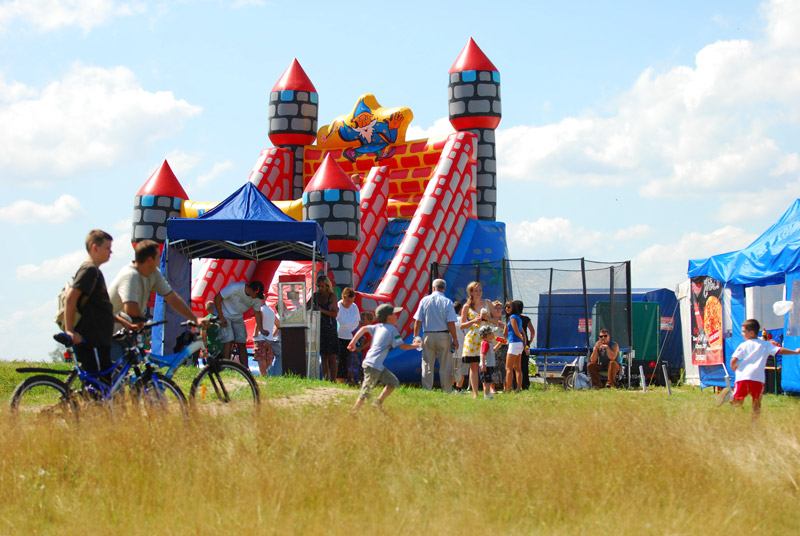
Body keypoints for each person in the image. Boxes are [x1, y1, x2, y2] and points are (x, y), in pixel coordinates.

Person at [108, 239, 206, 359]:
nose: (160, 260)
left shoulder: (153, 273)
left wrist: (195, 318)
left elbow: (172, 297)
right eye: (158, 257)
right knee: (115, 374)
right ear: (150, 260)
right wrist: (144, 323)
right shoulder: (130, 275)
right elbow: (130, 308)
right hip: (108, 333)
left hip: (125, 332)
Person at [718, 318, 800, 420]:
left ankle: (730, 397)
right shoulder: (765, 344)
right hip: (757, 378)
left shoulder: (744, 345)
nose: (742, 334)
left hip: (743, 376)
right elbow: (780, 350)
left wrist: (733, 366)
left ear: (751, 332)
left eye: (744, 331)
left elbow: (734, 359)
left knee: (738, 402)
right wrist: (794, 352)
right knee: (757, 403)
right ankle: (754, 424)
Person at [63, 230, 117, 377]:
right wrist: (70, 330)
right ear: (95, 248)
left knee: (103, 384)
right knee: (98, 386)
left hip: (100, 340)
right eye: (107, 248)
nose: (110, 252)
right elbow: (70, 298)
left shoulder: (95, 271)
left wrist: (122, 322)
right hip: (93, 340)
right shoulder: (89, 270)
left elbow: (100, 305)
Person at [348, 304, 421, 413]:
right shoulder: (392, 330)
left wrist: (353, 342)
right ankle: (353, 412)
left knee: (393, 382)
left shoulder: (377, 327)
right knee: (366, 392)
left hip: (375, 365)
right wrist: (416, 345)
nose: (396, 316)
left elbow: (363, 329)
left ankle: (377, 403)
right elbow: (402, 346)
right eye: (394, 314)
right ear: (388, 317)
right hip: (373, 366)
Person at [412, 278, 459, 393]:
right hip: (443, 335)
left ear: (433, 288)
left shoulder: (424, 300)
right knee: (445, 365)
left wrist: (416, 336)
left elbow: (417, 321)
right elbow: (451, 323)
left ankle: (427, 389)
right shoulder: (447, 302)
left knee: (427, 365)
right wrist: (455, 339)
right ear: (444, 289)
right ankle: (446, 390)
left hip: (428, 334)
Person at [460, 282, 502, 398]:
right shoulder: (467, 306)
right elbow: (462, 325)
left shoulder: (487, 303)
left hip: (485, 337)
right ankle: (475, 393)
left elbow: (496, 319)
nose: (479, 293)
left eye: (480, 290)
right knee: (474, 366)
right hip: (473, 337)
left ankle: (487, 391)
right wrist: (473, 321)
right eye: (476, 291)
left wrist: (486, 318)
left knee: (486, 364)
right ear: (471, 293)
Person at [213, 280, 266, 368]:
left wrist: (261, 329)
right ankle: (225, 367)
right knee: (228, 340)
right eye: (256, 294)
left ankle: (245, 369)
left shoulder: (257, 298)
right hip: (225, 313)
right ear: (251, 290)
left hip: (237, 317)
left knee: (242, 343)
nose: (256, 297)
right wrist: (221, 317)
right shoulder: (234, 288)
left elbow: (257, 313)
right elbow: (217, 298)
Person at [309, 275, 339, 381]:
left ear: (327, 286)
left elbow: (335, 313)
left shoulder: (332, 296)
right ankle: (326, 379)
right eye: (319, 286)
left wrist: (322, 311)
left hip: (330, 328)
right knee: (323, 355)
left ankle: (333, 379)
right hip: (319, 327)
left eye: (322, 286)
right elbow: (307, 306)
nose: (320, 288)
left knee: (332, 356)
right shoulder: (315, 296)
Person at [337, 288, 360, 384]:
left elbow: (356, 321)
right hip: (338, 336)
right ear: (343, 297)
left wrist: (347, 324)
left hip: (349, 337)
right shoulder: (338, 306)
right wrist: (347, 324)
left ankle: (343, 380)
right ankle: (337, 379)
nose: (350, 303)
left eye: (351, 301)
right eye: (347, 301)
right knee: (339, 359)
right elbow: (339, 322)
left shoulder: (354, 307)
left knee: (346, 360)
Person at [253, 301, 280, 377]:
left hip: (260, 339)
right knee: (269, 365)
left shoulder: (260, 310)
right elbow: (278, 324)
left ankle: (263, 381)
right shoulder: (271, 311)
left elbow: (258, 323)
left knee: (262, 365)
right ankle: (269, 380)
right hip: (270, 340)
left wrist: (255, 334)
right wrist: (273, 334)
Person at [503, 300, 525, 393]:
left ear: (513, 308)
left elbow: (516, 330)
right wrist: (523, 341)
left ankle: (507, 389)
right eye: (506, 307)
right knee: (517, 367)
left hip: (514, 343)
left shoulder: (512, 317)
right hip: (519, 344)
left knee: (508, 368)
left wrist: (520, 336)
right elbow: (521, 331)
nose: (506, 309)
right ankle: (518, 388)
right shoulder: (518, 317)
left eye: (509, 307)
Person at [348, 311, 375, 386]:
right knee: (354, 365)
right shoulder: (359, 329)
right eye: (361, 319)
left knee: (363, 369)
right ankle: (351, 380)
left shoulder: (370, 330)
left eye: (363, 319)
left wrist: (360, 349)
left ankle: (362, 382)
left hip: (365, 354)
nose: (361, 321)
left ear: (369, 321)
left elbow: (369, 342)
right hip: (358, 353)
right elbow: (353, 334)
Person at [490, 300, 508, 390]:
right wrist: (499, 340)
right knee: (493, 367)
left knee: (505, 366)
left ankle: (506, 387)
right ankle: (492, 387)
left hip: (505, 346)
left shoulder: (505, 319)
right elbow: (490, 335)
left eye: (499, 308)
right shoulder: (490, 320)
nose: (497, 310)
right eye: (495, 308)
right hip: (494, 346)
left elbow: (510, 331)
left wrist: (503, 326)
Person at [452, 301, 468, 393]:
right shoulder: (462, 320)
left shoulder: (449, 320)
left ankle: (451, 387)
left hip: (452, 348)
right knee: (461, 370)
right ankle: (459, 388)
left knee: (452, 370)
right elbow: (467, 333)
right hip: (462, 348)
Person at [478, 325, 498, 399]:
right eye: (492, 333)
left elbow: (493, 350)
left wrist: (500, 343)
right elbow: (483, 354)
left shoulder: (489, 343)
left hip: (489, 365)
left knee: (488, 381)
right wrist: (483, 364)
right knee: (486, 381)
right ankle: (486, 396)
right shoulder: (485, 343)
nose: (493, 335)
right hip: (486, 365)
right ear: (487, 335)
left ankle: (488, 394)